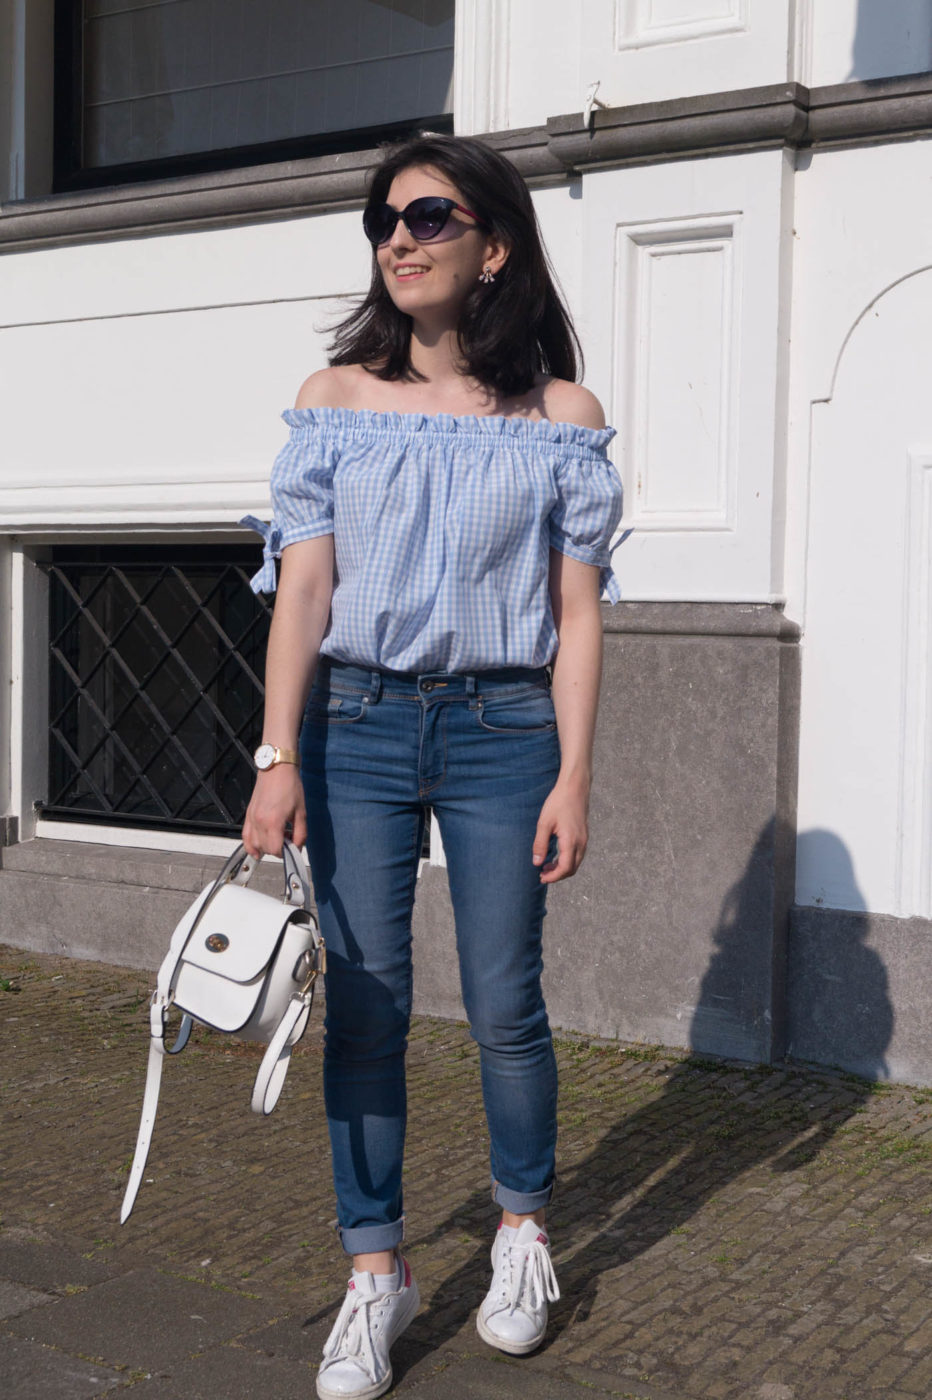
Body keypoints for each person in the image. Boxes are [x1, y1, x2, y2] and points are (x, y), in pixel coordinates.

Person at [242, 132, 624, 1400]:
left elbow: (576, 614)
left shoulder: (558, 419)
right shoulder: (333, 400)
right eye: (382, 218)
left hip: (503, 731)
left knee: (505, 1000)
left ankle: (521, 1234)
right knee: (365, 1005)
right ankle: (375, 1270)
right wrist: (276, 755)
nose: (397, 236)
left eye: (427, 214)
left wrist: (573, 772)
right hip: (350, 724)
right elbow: (301, 594)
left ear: (493, 244)